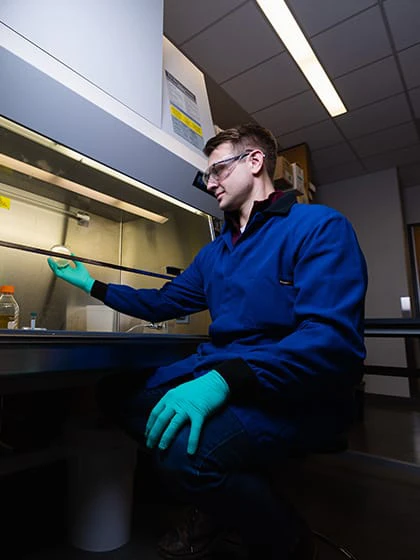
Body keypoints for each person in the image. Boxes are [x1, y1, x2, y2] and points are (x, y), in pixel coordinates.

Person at [48, 123, 367, 560]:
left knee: (185, 456)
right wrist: (93, 286)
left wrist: (227, 379)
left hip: (291, 389)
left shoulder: (318, 227)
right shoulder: (215, 253)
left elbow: (330, 341)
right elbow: (163, 303)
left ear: (255, 162)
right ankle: (223, 496)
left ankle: (285, 538)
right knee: (115, 393)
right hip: (225, 369)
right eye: (207, 176)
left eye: (217, 170)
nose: (210, 183)